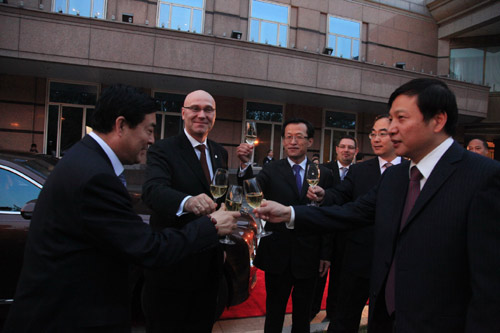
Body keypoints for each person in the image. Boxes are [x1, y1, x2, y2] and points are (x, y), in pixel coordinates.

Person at [254, 78, 500, 332]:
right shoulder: (396, 177)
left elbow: (490, 286)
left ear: (437, 120)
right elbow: (352, 212)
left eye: (400, 119)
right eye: (389, 121)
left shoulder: (483, 177)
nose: (391, 129)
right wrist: (290, 213)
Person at [3, 85, 239, 332]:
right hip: (71, 317)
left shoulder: (84, 159)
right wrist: (210, 225)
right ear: (121, 125)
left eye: (209, 109)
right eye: (148, 130)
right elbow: (147, 246)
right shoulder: (95, 176)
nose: (150, 139)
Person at [141, 90, 228, 332]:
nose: (202, 114)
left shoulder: (220, 152)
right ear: (183, 113)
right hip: (173, 268)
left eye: (208, 109)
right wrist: (187, 201)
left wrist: (220, 245)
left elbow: (219, 201)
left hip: (209, 267)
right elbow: (153, 191)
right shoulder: (163, 149)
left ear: (215, 115)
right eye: (195, 108)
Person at [237, 118, 334, 333]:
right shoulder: (272, 170)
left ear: (310, 141)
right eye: (288, 137)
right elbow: (251, 191)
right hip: (277, 255)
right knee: (274, 313)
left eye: (298, 136)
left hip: (309, 255)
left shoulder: (323, 174)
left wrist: (326, 253)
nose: (292, 141)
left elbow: (328, 217)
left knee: (303, 316)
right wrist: (244, 166)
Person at [309, 114, 401, 332]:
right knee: (344, 319)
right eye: (373, 134)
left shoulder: (411, 171)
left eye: (383, 134)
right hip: (358, 259)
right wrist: (324, 195)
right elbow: (340, 195)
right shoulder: (360, 170)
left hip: (394, 264)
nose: (376, 139)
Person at [313, 135, 358, 320]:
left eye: (350, 147)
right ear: (337, 149)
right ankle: (311, 310)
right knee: (318, 277)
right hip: (324, 232)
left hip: (347, 236)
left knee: (339, 280)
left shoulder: (359, 172)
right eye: (343, 147)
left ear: (355, 152)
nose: (346, 150)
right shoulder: (323, 171)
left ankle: (332, 314)